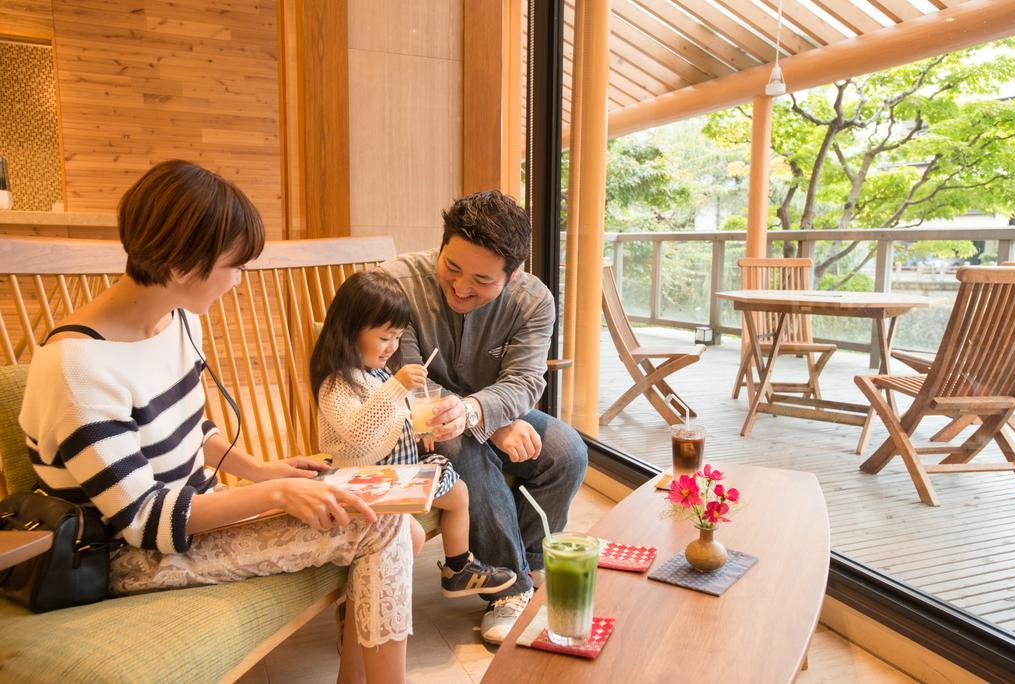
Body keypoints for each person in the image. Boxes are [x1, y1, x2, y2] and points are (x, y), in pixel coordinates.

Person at [18, 160, 411, 684]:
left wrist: (262, 471)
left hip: (191, 517)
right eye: (234, 267)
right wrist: (276, 497)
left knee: (388, 515)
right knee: (381, 521)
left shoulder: (179, 320)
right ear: (183, 268)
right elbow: (143, 521)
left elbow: (190, 432)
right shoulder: (78, 368)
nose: (238, 282)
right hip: (124, 555)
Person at [381, 190, 588, 644]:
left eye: (481, 279)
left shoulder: (534, 302)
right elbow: (406, 381)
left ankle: (527, 559)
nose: (460, 287)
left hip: (488, 411)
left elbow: (527, 382)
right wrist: (483, 423)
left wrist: (480, 413)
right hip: (413, 427)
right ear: (442, 245)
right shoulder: (396, 283)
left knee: (567, 451)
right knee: (458, 441)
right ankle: (510, 587)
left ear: (512, 276)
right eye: (451, 267)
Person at [310, 270, 517, 598]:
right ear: (350, 331)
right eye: (383, 338)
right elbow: (359, 431)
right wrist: (398, 385)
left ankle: (458, 567)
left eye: (396, 338)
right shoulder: (338, 383)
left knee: (459, 493)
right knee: (412, 536)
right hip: (362, 483)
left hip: (396, 473)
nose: (392, 347)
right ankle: (365, 602)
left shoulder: (375, 371)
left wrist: (418, 430)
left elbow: (393, 416)